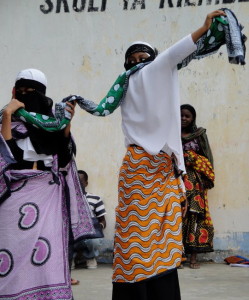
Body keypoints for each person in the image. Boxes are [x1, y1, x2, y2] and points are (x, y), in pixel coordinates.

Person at [61, 9, 232, 300]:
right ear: (126, 64)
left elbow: (103, 106)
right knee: (134, 240)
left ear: (153, 59)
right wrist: (203, 29)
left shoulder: (152, 73)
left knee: (163, 238)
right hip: (139, 168)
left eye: (143, 58)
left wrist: (203, 29)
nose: (138, 63)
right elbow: (103, 107)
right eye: (132, 59)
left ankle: (157, 293)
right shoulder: (131, 81)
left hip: (163, 167)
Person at [0, 69, 94, 299]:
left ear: (42, 93)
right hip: (13, 197)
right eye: (20, 91)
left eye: (30, 91)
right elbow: (7, 154)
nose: (24, 95)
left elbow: (63, 160)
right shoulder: (5, 118)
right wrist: (7, 116)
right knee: (12, 250)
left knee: (46, 256)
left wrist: (67, 126)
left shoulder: (53, 120)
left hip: (48, 197)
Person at [181, 104, 215, 269]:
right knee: (176, 218)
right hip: (176, 181)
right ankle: (177, 258)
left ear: (193, 118)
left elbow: (207, 158)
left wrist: (191, 158)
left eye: (187, 116)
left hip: (195, 183)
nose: (184, 119)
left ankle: (193, 258)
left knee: (195, 217)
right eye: (181, 115)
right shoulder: (171, 134)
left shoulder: (199, 135)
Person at [73, 170, 107, 269]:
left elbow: (103, 221)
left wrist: (97, 227)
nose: (78, 185)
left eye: (81, 182)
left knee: (94, 241)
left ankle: (90, 257)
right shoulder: (67, 199)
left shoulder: (95, 198)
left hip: (90, 233)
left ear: (86, 183)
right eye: (75, 182)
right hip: (74, 233)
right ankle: (71, 259)